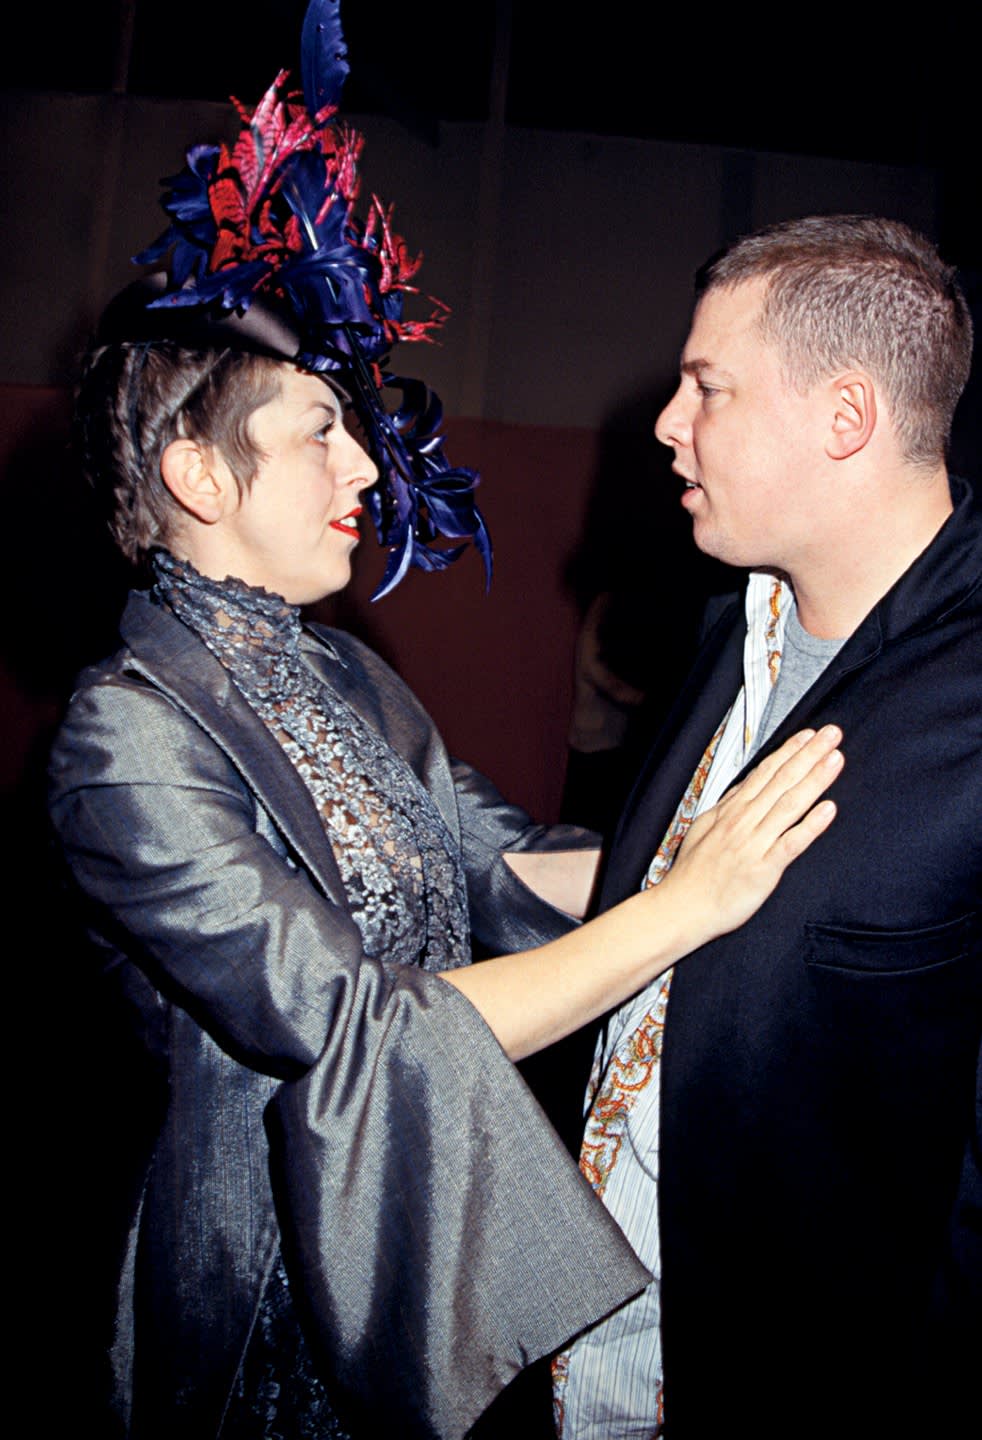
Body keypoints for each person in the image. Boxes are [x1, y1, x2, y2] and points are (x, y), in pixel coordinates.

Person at [46, 10, 843, 1437]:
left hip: (407, 1241)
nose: (366, 461)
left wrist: (738, 857)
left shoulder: (350, 674)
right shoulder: (123, 738)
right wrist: (686, 909)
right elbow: (359, 1026)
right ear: (196, 475)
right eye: (315, 432)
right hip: (263, 1302)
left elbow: (506, 865)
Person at [556, 215, 981, 1438]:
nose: (665, 423)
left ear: (843, 418)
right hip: (594, 1370)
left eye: (708, 387)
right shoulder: (720, 633)